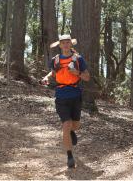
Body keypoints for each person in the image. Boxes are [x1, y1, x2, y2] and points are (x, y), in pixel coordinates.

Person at [41, 34, 90, 168]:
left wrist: (77, 73)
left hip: (75, 96)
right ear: (60, 45)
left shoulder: (78, 59)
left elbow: (87, 77)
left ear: (71, 44)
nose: (66, 45)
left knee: (75, 126)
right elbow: (53, 72)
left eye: (68, 42)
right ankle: (69, 156)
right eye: (63, 43)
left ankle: (72, 132)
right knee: (66, 125)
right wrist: (46, 77)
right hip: (61, 95)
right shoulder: (55, 60)